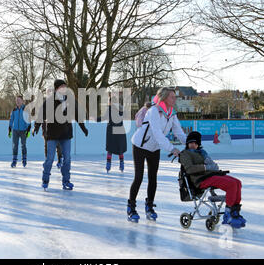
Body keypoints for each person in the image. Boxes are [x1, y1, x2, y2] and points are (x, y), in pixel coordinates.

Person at [128, 87, 187, 222]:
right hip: (140, 146)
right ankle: (131, 207)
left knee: (153, 178)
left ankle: (149, 206)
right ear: (165, 98)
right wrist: (172, 149)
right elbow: (157, 133)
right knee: (139, 177)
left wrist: (190, 144)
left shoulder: (171, 113)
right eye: (172, 97)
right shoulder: (154, 111)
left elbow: (178, 131)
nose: (175, 99)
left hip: (154, 148)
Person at [179, 131, 246, 228]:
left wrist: (213, 166)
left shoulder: (202, 153)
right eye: (191, 143)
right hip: (200, 179)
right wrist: (206, 167)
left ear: (198, 144)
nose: (193, 145)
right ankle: (228, 214)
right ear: (187, 144)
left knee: (237, 183)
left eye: (195, 143)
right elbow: (189, 169)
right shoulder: (185, 154)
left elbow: (212, 165)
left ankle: (235, 211)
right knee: (231, 185)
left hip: (211, 175)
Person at [33, 79, 88, 190]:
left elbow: (77, 115)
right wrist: (36, 128)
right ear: (57, 88)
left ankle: (66, 180)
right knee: (50, 159)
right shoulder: (49, 101)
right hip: (52, 135)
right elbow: (41, 115)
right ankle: (45, 179)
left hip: (66, 134)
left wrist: (83, 128)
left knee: (67, 159)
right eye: (61, 87)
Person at [97, 94, 127, 173]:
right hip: (120, 131)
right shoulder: (121, 109)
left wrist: (95, 118)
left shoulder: (110, 108)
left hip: (111, 131)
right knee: (120, 148)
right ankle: (121, 165)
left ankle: (108, 165)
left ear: (110, 101)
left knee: (110, 148)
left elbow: (104, 117)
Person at [8, 95, 31, 168]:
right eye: (16, 100)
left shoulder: (25, 109)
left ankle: (24, 160)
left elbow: (28, 120)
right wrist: (9, 129)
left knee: (23, 145)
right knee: (15, 146)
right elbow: (11, 119)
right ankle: (14, 161)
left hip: (23, 130)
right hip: (15, 130)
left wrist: (28, 130)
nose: (17, 101)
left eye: (18, 100)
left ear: (22, 101)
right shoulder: (14, 110)